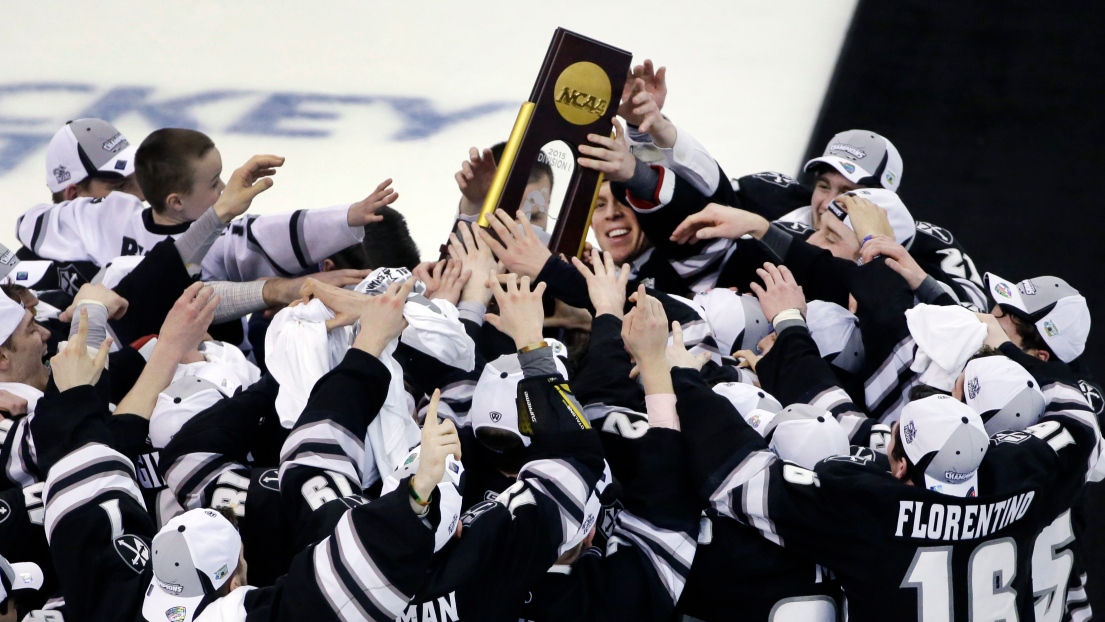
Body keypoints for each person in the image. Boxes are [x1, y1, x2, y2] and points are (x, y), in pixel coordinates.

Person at [672, 262, 1100, 621]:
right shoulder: (1041, 475)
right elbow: (1078, 421)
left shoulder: (875, 502)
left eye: (957, 391)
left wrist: (680, 376)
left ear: (899, 465)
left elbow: (750, 474)